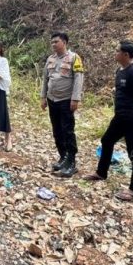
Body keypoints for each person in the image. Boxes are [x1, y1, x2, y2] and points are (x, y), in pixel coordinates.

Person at [83, 40, 133, 201]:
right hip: (120, 117)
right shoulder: (120, 71)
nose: (115, 53)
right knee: (107, 140)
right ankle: (101, 172)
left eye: (117, 51)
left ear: (126, 55)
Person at [40, 32, 85, 177]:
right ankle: (63, 157)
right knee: (57, 130)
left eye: (56, 42)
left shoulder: (74, 58)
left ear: (64, 42)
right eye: (52, 42)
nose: (53, 44)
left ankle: (71, 162)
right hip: (52, 100)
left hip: (66, 100)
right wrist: (43, 97)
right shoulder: (50, 59)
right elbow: (45, 79)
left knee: (68, 131)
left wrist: (75, 99)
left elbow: (79, 79)